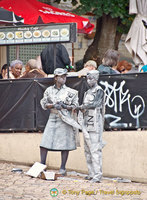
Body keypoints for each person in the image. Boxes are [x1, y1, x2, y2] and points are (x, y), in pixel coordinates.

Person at [40, 68, 80, 175]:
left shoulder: (71, 92)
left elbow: (75, 106)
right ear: (56, 77)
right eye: (61, 76)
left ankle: (63, 167)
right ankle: (42, 165)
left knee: (65, 144)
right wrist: (53, 105)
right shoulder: (49, 90)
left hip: (65, 118)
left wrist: (65, 106)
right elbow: (43, 103)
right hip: (53, 117)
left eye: (65, 76)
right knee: (44, 143)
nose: (64, 78)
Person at [77, 70, 105, 183]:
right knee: (87, 149)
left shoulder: (99, 91)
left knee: (95, 150)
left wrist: (84, 106)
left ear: (96, 79)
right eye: (87, 79)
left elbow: (96, 104)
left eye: (91, 79)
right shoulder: (87, 92)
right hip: (87, 122)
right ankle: (91, 173)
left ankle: (97, 174)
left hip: (95, 122)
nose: (89, 81)